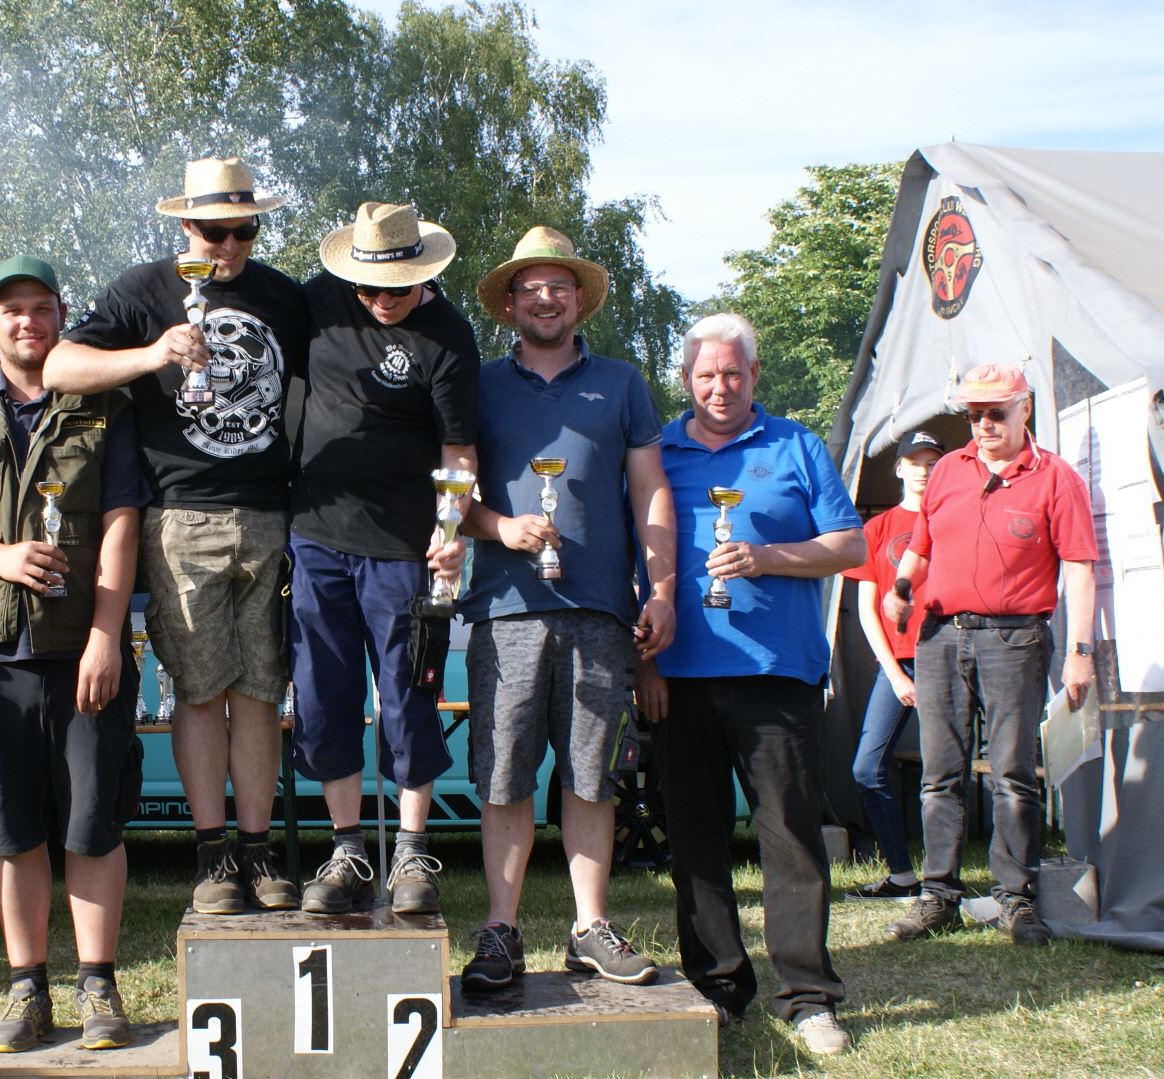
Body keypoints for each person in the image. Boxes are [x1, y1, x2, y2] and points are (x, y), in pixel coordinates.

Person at [44, 157, 308, 915]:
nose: (229, 246)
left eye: (244, 231)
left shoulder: (285, 297)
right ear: (184, 224)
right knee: (199, 691)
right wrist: (152, 354)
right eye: (214, 231)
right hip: (179, 517)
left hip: (271, 516)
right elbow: (59, 364)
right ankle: (212, 853)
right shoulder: (141, 290)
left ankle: (257, 851)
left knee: (259, 693)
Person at [0, 255, 149, 1052]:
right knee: (10, 830)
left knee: (93, 823)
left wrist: (107, 634)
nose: (27, 322)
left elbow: (121, 523)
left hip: (83, 652)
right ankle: (27, 989)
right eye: (11, 309)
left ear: (61, 315)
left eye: (41, 307)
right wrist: (0, 559)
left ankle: (98, 984)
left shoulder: (104, 408)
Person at [456, 227, 677, 992]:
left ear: (579, 299)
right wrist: (501, 527)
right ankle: (501, 929)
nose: (545, 299)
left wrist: (662, 589)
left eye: (559, 286)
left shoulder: (622, 383)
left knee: (592, 776)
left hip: (600, 609)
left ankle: (589, 927)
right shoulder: (477, 384)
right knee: (504, 774)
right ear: (509, 304)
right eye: (532, 288)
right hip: (505, 608)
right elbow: (450, 495)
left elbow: (650, 491)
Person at [648, 312, 864, 1056]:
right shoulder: (655, 452)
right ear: (686, 379)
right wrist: (645, 664)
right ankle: (717, 988)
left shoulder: (797, 445)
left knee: (791, 837)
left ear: (754, 375)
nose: (720, 387)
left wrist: (767, 557)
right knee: (694, 842)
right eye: (706, 375)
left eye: (733, 373)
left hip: (778, 675)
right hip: (679, 678)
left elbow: (850, 543)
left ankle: (808, 996)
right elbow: (636, 564)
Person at [288, 202, 477, 915]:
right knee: (323, 694)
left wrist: (451, 528)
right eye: (367, 288)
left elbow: (459, 449)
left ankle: (411, 850)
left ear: (421, 272)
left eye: (394, 288)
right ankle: (347, 852)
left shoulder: (448, 334)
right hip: (314, 536)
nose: (379, 300)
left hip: (403, 548)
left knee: (406, 695)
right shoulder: (318, 302)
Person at [882, 363, 1096, 947]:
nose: (983, 425)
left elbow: (1079, 568)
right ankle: (938, 896)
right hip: (940, 636)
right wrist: (900, 589)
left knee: (1013, 775)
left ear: (1025, 408)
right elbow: (920, 548)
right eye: (973, 415)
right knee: (938, 775)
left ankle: (1016, 900)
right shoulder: (949, 470)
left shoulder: (1055, 477)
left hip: (1016, 638)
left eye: (995, 412)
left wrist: (1080, 651)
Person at [842, 429, 944, 900]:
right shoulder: (878, 528)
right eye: (915, 461)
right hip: (898, 663)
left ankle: (946, 881)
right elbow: (867, 610)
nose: (923, 470)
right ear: (899, 467)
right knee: (867, 768)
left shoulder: (952, 518)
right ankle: (902, 874)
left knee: (945, 771)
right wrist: (895, 673)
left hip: (948, 657)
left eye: (932, 462)